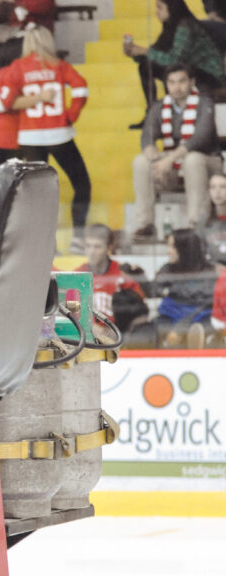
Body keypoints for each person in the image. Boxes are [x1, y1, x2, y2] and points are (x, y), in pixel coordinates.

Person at [0, 26, 90, 251]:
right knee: (82, 184)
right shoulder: (59, 66)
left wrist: (30, 99)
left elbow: (3, 103)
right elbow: (81, 89)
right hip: (59, 133)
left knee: (39, 192)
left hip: (30, 136)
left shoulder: (17, 68)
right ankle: (77, 237)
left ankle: (48, 243)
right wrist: (70, 114)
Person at [132, 66, 222, 243]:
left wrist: (169, 159)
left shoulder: (205, 103)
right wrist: (150, 151)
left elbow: (200, 138)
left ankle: (197, 224)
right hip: (173, 167)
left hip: (207, 164)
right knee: (141, 162)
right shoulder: (160, 106)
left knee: (192, 159)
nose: (176, 87)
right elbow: (147, 134)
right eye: (171, 82)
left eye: (181, 81)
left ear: (192, 82)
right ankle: (145, 225)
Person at [123, 0, 224, 111]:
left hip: (208, 74)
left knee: (171, 70)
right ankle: (151, 112)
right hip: (189, 69)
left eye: (160, 8)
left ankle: (173, 111)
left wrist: (145, 52)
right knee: (146, 66)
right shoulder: (169, 27)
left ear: (171, 8)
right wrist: (134, 52)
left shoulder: (186, 26)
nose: (157, 12)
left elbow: (175, 60)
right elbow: (156, 55)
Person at [153, 228, 217, 348]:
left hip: (199, 318)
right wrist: (135, 274)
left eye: (172, 247)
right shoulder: (169, 268)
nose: (169, 251)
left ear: (185, 250)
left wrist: (181, 328)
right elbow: (153, 290)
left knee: (201, 331)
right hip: (171, 316)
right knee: (152, 330)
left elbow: (205, 305)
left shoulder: (208, 273)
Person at [77, 224, 146, 331]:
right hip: (83, 334)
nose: (91, 252)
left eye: (97, 247)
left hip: (116, 334)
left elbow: (141, 313)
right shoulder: (78, 274)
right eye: (88, 246)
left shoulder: (122, 274)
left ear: (109, 247)